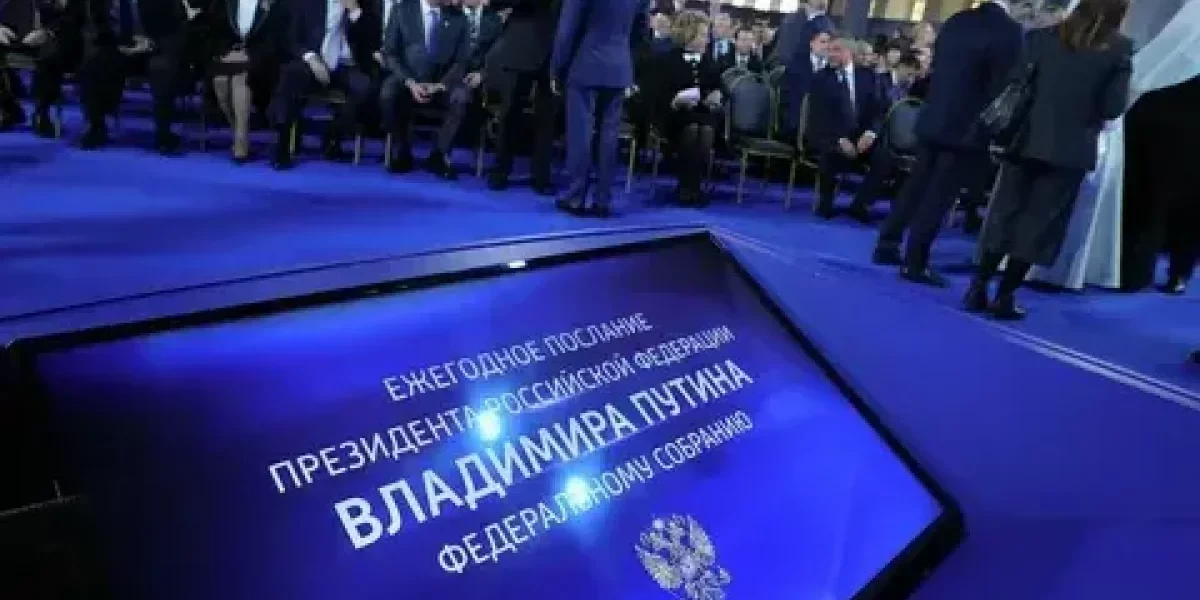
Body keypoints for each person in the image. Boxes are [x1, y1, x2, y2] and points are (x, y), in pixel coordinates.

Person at [966, 0, 1133, 320]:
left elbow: (1016, 84)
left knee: (1005, 215)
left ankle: (978, 286)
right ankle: (1005, 295)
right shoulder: (1119, 50)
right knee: (1038, 226)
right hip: (1070, 151)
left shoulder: (1041, 37)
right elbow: (1112, 108)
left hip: (1024, 140)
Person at [873, 0, 1022, 287]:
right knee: (939, 196)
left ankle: (887, 244)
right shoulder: (1010, 31)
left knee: (915, 186)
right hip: (967, 128)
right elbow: (1005, 85)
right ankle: (915, 262)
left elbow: (937, 66)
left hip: (933, 117)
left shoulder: (956, 20)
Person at [550, 0, 645, 217]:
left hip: (585, 65)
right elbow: (640, 32)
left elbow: (566, 32)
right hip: (619, 67)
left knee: (580, 133)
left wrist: (556, 69)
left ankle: (576, 197)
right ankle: (603, 199)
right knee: (609, 136)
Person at [77, 0, 201, 154]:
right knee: (92, 65)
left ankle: (164, 133)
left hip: (158, 44)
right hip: (121, 45)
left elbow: (174, 25)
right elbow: (101, 25)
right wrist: (121, 43)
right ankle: (96, 127)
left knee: (162, 68)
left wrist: (150, 43)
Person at [267, 0, 379, 170]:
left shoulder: (365, 4)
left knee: (366, 88)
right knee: (290, 75)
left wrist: (355, 12)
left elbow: (374, 40)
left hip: (347, 65)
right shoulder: (308, 3)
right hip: (315, 62)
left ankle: (333, 133)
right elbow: (291, 39)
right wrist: (311, 57)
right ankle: (282, 143)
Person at [379, 0, 471, 178]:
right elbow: (390, 53)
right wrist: (410, 82)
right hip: (407, 79)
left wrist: (441, 85)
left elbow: (462, 61)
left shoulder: (459, 18)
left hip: (442, 82)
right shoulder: (402, 10)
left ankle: (439, 155)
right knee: (388, 93)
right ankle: (402, 150)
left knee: (461, 96)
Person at [640, 9, 722, 206]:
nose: (707, 40)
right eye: (702, 35)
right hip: (673, 116)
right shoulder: (665, 60)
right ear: (688, 35)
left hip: (702, 113)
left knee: (706, 129)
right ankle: (686, 186)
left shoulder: (709, 62)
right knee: (692, 129)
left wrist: (717, 95)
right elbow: (655, 95)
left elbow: (718, 87)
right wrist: (675, 101)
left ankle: (694, 185)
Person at [483, 0, 559, 194]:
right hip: (519, 46)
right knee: (509, 112)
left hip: (554, 47)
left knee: (547, 118)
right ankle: (501, 170)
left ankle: (541, 176)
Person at [806, 35, 883, 218]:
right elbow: (818, 117)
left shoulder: (868, 76)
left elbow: (878, 111)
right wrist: (840, 139)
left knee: (885, 158)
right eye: (829, 50)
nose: (830, 54)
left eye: (836, 50)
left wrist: (870, 134)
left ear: (850, 52)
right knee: (830, 151)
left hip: (861, 137)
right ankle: (825, 203)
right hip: (830, 134)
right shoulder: (820, 78)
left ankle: (860, 205)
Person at [204, 0, 288, 163]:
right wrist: (227, 52)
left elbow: (275, 41)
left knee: (240, 79)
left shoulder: (274, 4)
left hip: (261, 62)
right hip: (228, 57)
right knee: (220, 81)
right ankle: (238, 132)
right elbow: (216, 33)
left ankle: (241, 143)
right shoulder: (224, 3)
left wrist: (248, 55)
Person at [0, 0, 83, 136]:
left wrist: (48, 32)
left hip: (57, 39)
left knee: (49, 54)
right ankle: (9, 107)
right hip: (18, 36)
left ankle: (42, 111)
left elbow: (76, 18)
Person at [779, 28, 830, 137]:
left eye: (829, 42)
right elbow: (787, 96)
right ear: (811, 43)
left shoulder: (833, 67)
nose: (826, 46)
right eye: (822, 42)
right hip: (798, 117)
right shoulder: (796, 65)